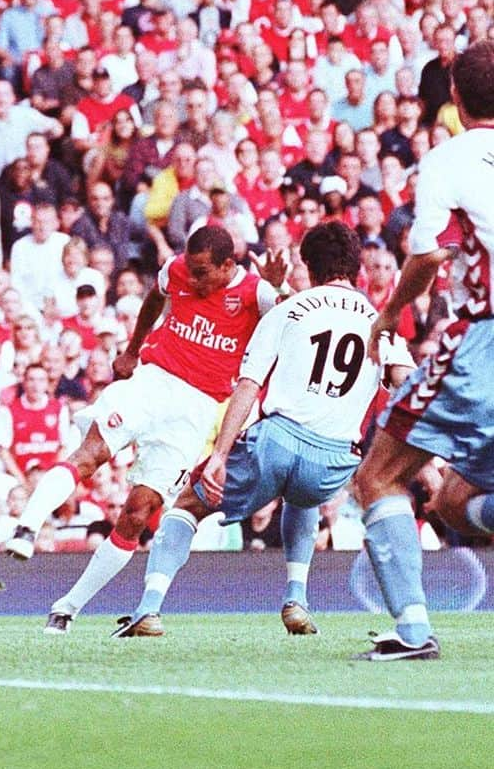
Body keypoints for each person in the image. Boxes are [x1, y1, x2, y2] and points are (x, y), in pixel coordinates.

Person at [112, 223, 413, 638]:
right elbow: (406, 382)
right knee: (303, 495)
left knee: (186, 503)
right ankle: (296, 599)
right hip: (334, 461)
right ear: (358, 269)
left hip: (277, 441)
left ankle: (148, 608)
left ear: (307, 266)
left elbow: (248, 385)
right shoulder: (381, 319)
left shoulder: (291, 309)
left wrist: (219, 454)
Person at [7, 228, 285, 633]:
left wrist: (277, 287)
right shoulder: (178, 271)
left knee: (139, 511)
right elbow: (157, 295)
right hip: (153, 381)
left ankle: (67, 608)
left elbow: (288, 321)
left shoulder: (256, 294)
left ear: (228, 266)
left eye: (202, 272)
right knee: (92, 453)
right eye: (189, 269)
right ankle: (26, 527)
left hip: (196, 410)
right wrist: (133, 349)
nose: (191, 280)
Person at [348, 40, 494, 661]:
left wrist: (388, 312)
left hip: (484, 334)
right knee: (457, 503)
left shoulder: (448, 159)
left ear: (454, 98)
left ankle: (411, 632)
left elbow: (432, 253)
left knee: (378, 476)